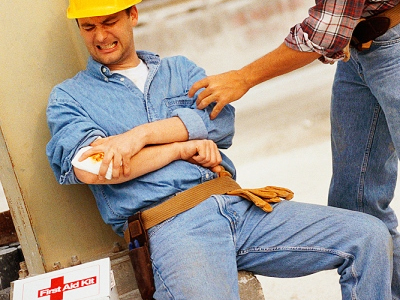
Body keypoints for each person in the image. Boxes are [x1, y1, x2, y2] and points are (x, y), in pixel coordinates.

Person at [46, 1, 393, 299]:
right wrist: (179, 148)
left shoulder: (179, 70)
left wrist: (137, 138)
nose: (101, 36)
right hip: (175, 226)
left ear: (133, 15)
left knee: (368, 236)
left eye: (109, 22)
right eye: (88, 27)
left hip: (240, 208)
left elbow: (221, 123)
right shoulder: (71, 98)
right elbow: (95, 168)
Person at [189, 0, 400, 298]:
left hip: (392, 42)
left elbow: (324, 33)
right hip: (358, 50)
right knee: (355, 204)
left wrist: (244, 77)